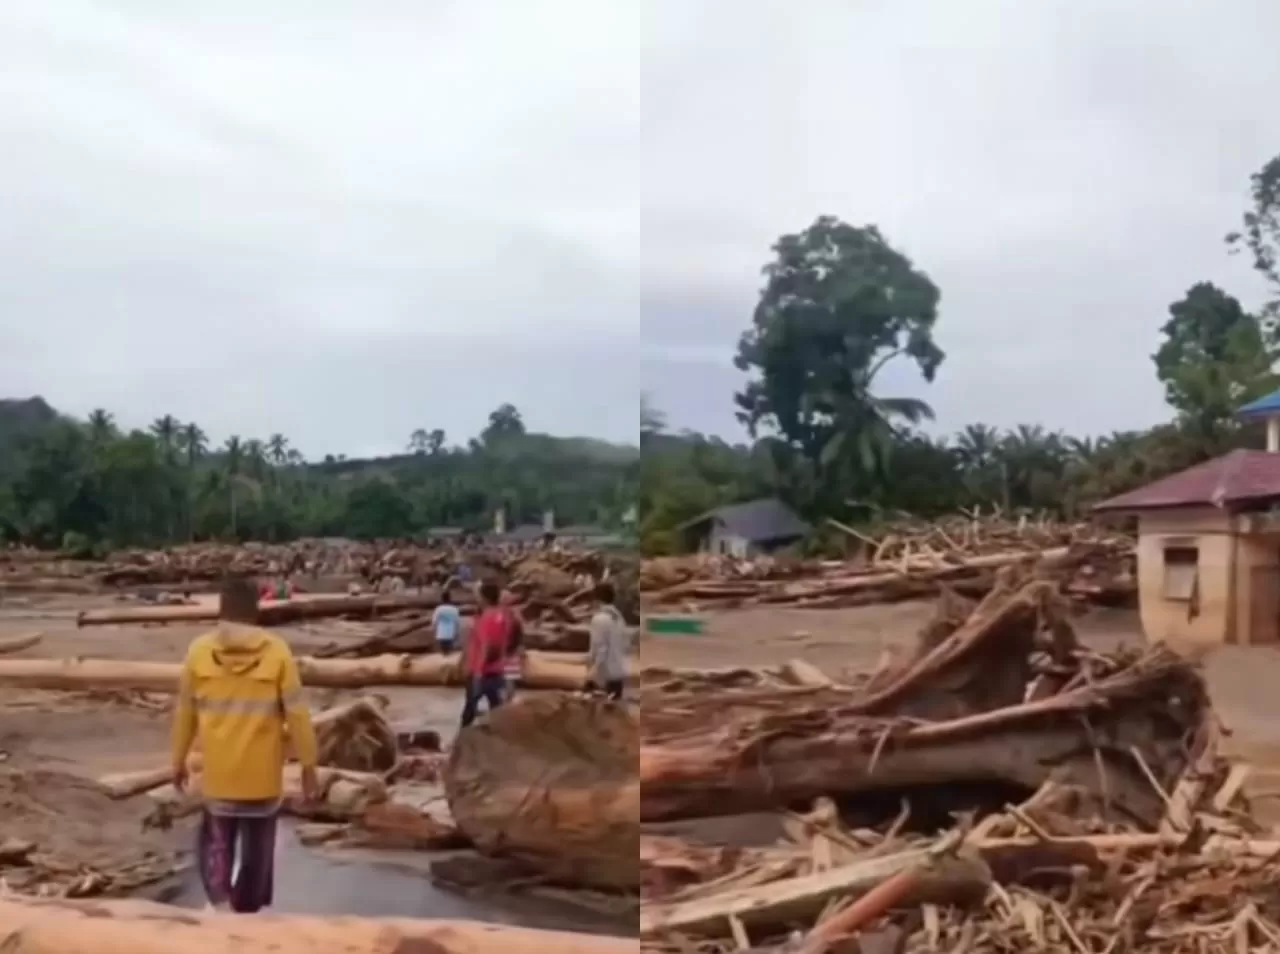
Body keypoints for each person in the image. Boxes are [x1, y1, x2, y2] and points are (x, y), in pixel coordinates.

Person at [171, 575, 319, 914]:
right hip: (262, 780)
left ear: (221, 610)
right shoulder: (277, 652)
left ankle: (221, 907)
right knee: (258, 855)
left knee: (215, 846)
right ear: (255, 611)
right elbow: (298, 715)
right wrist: (309, 766)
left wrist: (177, 760)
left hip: (220, 777)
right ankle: (247, 914)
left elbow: (185, 713)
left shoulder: (199, 652)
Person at [459, 580, 518, 727]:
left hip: (482, 671)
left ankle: (463, 736)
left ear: (483, 597)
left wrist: (479, 671)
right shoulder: (500, 615)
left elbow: (489, 645)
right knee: (496, 707)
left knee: (470, 709)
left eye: (477, 593)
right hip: (494, 669)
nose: (475, 596)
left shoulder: (488, 617)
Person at [585, 581, 629, 701]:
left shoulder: (599, 619)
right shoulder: (619, 618)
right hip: (618, 673)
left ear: (597, 599)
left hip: (603, 677)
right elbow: (625, 644)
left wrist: (592, 672)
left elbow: (601, 649)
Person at [432, 585, 461, 655]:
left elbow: (434, 622)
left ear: (441, 599)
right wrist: (457, 633)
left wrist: (434, 631)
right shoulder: (454, 609)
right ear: (450, 598)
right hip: (451, 634)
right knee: (450, 652)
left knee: (443, 652)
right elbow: (457, 622)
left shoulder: (438, 609)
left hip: (441, 634)